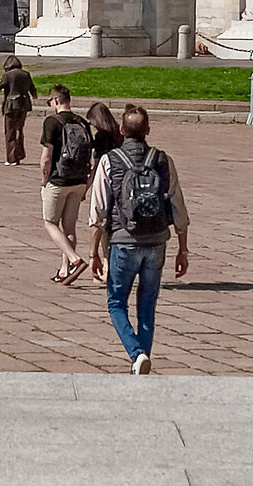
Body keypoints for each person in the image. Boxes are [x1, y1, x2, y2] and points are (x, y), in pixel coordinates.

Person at [87, 105, 189, 375]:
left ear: (121, 131)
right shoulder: (163, 160)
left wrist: (94, 253)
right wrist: (183, 249)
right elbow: (178, 205)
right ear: (148, 131)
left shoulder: (110, 160)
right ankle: (142, 356)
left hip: (123, 240)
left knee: (116, 302)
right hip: (157, 240)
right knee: (147, 304)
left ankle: (136, 353)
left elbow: (98, 211)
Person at [37, 84, 96, 284]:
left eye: (50, 102)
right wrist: (87, 184)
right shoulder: (82, 122)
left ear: (55, 101)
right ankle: (64, 270)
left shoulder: (52, 122)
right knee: (69, 227)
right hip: (79, 180)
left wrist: (44, 181)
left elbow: (46, 157)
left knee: (50, 222)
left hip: (58, 179)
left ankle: (74, 260)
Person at [0, 55, 37, 165]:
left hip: (11, 105)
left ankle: (11, 158)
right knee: (19, 130)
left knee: (10, 131)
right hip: (24, 105)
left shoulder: (7, 75)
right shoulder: (25, 74)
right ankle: (19, 155)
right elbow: (32, 88)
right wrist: (34, 95)